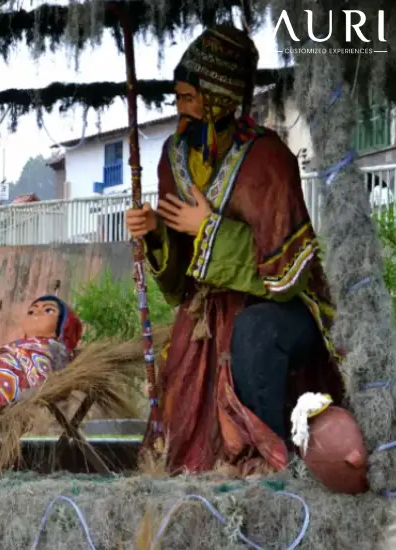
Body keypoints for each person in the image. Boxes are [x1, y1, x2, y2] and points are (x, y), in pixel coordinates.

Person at [125, 25, 344, 474]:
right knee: (186, 432)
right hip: (205, 320)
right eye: (178, 97)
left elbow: (286, 275)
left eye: (188, 97)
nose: (179, 109)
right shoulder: (175, 158)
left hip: (274, 312)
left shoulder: (269, 159)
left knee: (254, 339)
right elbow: (181, 282)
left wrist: (209, 228)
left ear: (218, 95)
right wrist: (154, 234)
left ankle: (269, 462)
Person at [0, 295, 83, 419]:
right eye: (31, 311)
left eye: (48, 310)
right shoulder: (17, 345)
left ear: (62, 325)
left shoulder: (55, 349)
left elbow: (51, 377)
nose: (37, 313)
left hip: (19, 377)